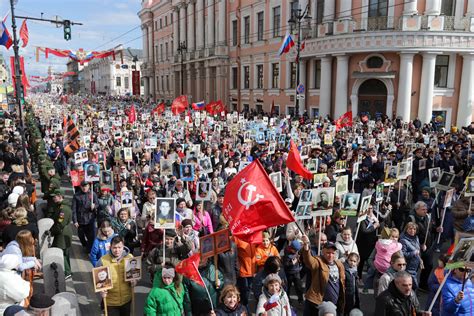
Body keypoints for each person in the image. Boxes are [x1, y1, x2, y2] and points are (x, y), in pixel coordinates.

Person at [301, 235, 346, 315]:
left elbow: (342, 281)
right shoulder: (318, 261)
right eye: (328, 253)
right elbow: (309, 261)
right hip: (319, 303)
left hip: (335, 304)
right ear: (323, 252)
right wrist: (306, 245)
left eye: (333, 253)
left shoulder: (339, 264)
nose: (331, 255)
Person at [97, 236, 135, 315]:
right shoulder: (102, 260)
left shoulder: (130, 258)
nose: (117, 250)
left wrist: (134, 282)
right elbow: (96, 279)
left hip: (126, 300)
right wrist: (101, 290)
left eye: (119, 247)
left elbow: (134, 276)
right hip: (110, 302)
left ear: (123, 246)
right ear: (110, 247)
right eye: (114, 247)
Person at [49, 189, 73, 278]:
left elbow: (60, 224)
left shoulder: (63, 209)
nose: (53, 198)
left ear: (60, 196)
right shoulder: (60, 206)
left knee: (61, 253)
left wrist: (51, 232)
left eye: (54, 197)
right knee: (65, 253)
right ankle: (68, 270)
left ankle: (67, 272)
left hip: (62, 234)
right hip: (63, 233)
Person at [72, 181, 98, 252]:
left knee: (91, 237)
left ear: (89, 186)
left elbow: (97, 204)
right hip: (81, 219)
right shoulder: (76, 196)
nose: (84, 188)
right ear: (80, 187)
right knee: (81, 236)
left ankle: (89, 249)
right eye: (83, 186)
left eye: (86, 186)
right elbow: (74, 209)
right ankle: (85, 245)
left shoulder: (93, 194)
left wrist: (94, 206)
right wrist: (75, 220)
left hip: (90, 219)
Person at [400, 222, 422, 289]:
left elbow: (417, 249)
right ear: (406, 229)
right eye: (410, 229)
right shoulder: (403, 240)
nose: (412, 231)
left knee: (413, 284)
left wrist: (422, 247)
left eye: (414, 229)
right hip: (409, 266)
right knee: (412, 284)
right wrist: (413, 253)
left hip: (415, 266)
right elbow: (402, 254)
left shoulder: (416, 238)